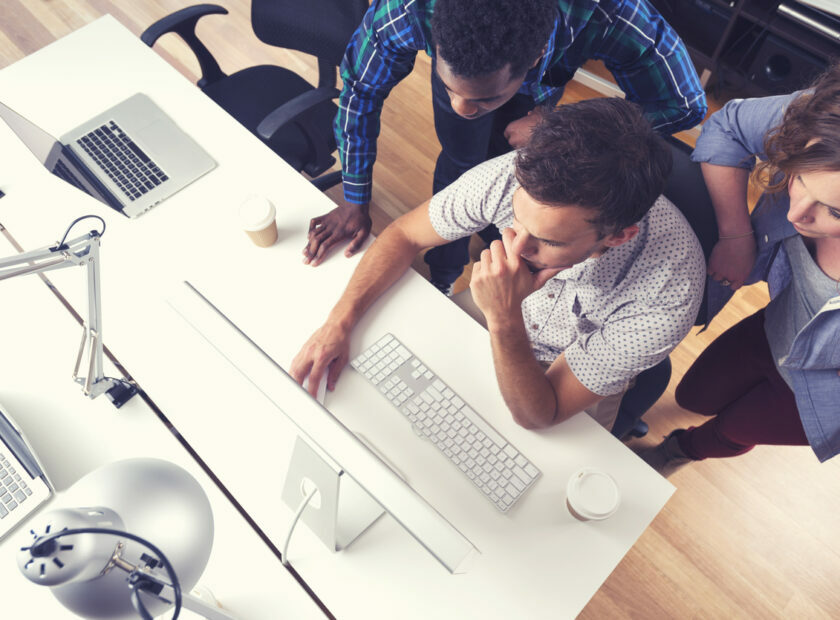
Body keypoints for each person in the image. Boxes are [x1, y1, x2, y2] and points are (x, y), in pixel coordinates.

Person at [291, 98, 705, 433]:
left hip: (570, 366)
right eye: (515, 220)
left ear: (618, 236)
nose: (514, 246)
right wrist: (338, 324)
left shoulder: (668, 295)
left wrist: (505, 317)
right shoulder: (517, 177)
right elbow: (405, 235)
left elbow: (542, 413)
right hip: (496, 308)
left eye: (548, 240)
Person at [302, 0, 707, 296]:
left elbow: (684, 104)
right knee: (460, 168)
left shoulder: (608, 11)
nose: (462, 109)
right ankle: (443, 277)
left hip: (545, 103)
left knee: (535, 191)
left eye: (481, 100)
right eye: (449, 87)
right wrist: (355, 198)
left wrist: (564, 126)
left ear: (533, 59)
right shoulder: (410, 8)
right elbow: (360, 89)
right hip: (492, 74)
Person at [641, 65, 840, 475]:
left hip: (825, 390)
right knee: (694, 396)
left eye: (836, 210)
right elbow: (728, 125)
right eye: (799, 178)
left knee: (731, 430)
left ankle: (681, 451)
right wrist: (736, 235)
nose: (797, 212)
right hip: (774, 329)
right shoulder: (827, 119)